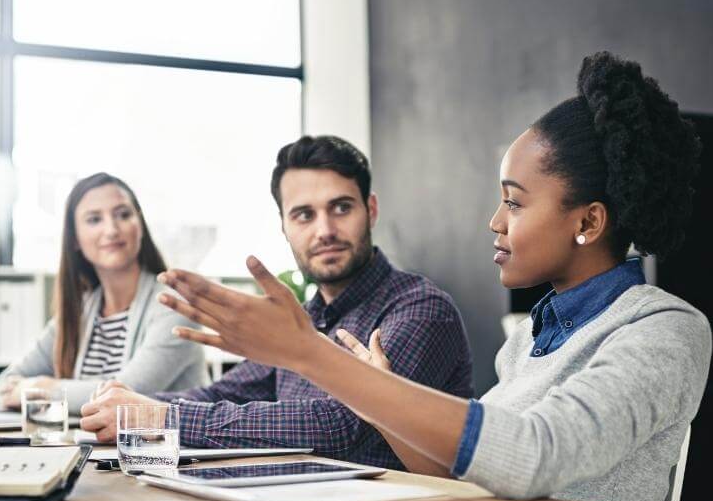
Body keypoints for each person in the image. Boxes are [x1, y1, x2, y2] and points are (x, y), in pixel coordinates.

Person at [152, 52, 707, 501]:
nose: (495, 221)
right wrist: (377, 399)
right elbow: (462, 476)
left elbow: (535, 454)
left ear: (587, 222)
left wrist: (315, 358)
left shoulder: (666, 331)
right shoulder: (528, 340)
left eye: (513, 202)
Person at [81, 137, 474, 468]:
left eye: (341, 208)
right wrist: (129, 408)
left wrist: (161, 418)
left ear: (369, 210)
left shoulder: (421, 310)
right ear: (284, 227)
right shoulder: (305, 317)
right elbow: (223, 393)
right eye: (304, 215)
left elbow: (343, 427)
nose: (325, 231)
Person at [0, 172, 209, 414]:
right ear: (75, 239)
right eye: (94, 219)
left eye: (123, 215)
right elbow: (4, 386)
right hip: (95, 448)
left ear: (140, 225)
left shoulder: (174, 305)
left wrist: (44, 389)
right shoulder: (82, 310)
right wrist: (38, 389)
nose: (112, 229)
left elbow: (126, 396)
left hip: (164, 450)